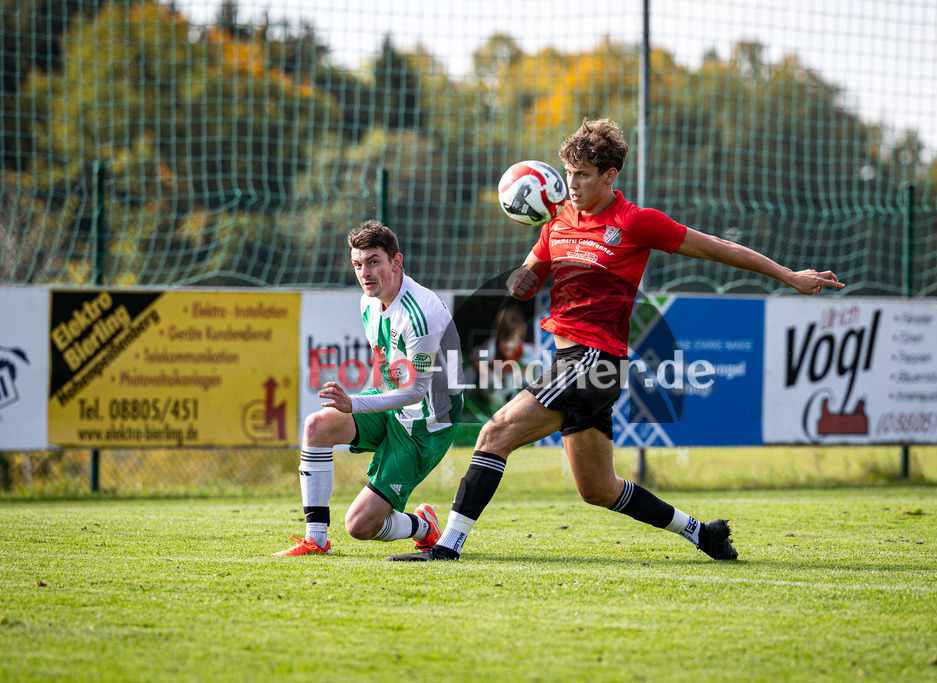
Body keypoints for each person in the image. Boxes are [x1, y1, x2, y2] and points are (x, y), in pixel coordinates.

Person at [387, 118, 844, 563]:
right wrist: (523, 268)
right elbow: (525, 284)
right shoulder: (557, 220)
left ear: (610, 176)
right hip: (571, 361)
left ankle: (447, 545)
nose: (573, 184)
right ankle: (702, 533)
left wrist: (788, 276)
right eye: (568, 173)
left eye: (583, 175)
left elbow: (718, 248)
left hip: (593, 360)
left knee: (495, 433)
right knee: (598, 489)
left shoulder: (635, 221)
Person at [273, 220, 463, 557]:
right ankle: (316, 540)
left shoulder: (422, 314)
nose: (365, 273)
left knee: (359, 526)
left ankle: (423, 526)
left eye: (373, 262)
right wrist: (363, 401)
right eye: (358, 264)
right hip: (393, 402)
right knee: (317, 425)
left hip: (426, 423)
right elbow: (383, 362)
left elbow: (417, 392)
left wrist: (355, 404)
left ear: (396, 262)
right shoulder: (368, 303)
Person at [466, 304, 542, 414]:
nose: (508, 346)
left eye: (513, 340)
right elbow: (474, 358)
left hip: (508, 380)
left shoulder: (526, 350)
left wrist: (516, 375)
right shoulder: (491, 347)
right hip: (489, 380)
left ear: (521, 335)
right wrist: (489, 375)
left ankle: (522, 405)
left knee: (523, 379)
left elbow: (534, 364)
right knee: (469, 373)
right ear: (498, 336)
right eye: (505, 340)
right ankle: (463, 400)